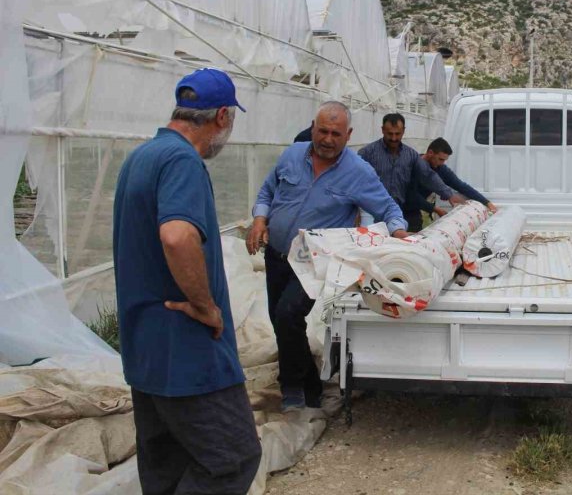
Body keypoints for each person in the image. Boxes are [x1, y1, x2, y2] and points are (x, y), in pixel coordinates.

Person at [113, 68, 261, 494]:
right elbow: (177, 237)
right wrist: (204, 306)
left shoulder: (142, 156)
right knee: (232, 460)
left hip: (146, 348)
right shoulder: (182, 161)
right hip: (188, 351)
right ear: (222, 117)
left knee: (167, 468)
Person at [246, 102, 409, 410]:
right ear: (312, 127)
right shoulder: (292, 155)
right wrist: (260, 219)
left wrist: (399, 232)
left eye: (336, 133)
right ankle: (310, 383)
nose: (328, 139)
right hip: (277, 254)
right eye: (322, 131)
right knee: (280, 320)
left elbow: (388, 209)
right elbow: (267, 191)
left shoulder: (358, 173)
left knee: (288, 314)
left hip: (314, 262)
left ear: (348, 135)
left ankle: (292, 387)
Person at [358, 113, 464, 229]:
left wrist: (448, 194)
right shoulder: (367, 153)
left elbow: (427, 175)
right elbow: (354, 180)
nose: (394, 138)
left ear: (403, 131)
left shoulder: (411, 155)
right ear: (382, 130)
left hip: (397, 213)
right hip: (372, 213)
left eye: (397, 134)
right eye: (390, 134)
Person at [403, 137, 497, 231]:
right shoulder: (412, 166)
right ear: (430, 153)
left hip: (414, 211)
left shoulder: (440, 168)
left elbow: (461, 186)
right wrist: (435, 209)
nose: (442, 163)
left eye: (444, 160)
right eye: (440, 159)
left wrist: (487, 203)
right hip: (401, 207)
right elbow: (411, 196)